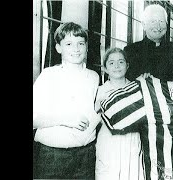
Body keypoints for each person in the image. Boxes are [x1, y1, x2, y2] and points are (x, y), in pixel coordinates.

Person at [33, 22, 101, 179]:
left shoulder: (94, 77)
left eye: (80, 43)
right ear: (58, 48)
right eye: (69, 44)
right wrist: (66, 120)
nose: (76, 49)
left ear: (86, 47)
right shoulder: (48, 75)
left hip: (86, 157)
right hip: (52, 157)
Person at [95, 47, 144, 180]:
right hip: (109, 142)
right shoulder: (99, 91)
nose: (116, 66)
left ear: (127, 66)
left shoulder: (137, 88)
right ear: (104, 68)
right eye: (111, 63)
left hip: (132, 140)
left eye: (121, 62)